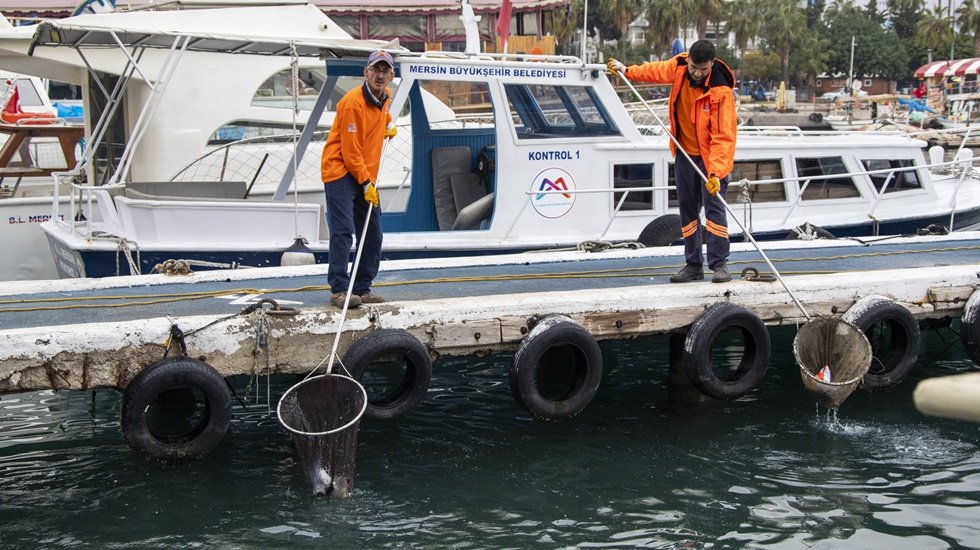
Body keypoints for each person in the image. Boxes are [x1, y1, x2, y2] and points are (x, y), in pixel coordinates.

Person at [608, 40, 737, 283]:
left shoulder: (721, 92)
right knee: (688, 211)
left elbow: (724, 136)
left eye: (703, 69)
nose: (697, 73)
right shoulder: (678, 66)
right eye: (694, 67)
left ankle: (720, 265)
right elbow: (655, 70)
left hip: (711, 162)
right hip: (684, 154)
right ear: (688, 60)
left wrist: (716, 174)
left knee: (714, 212)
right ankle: (693, 265)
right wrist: (628, 71)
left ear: (712, 65)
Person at [321, 50, 397, 308]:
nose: (380, 75)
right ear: (366, 72)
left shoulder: (385, 97)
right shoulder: (352, 102)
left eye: (385, 71)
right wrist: (366, 183)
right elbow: (350, 151)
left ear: (391, 76)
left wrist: (387, 124)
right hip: (341, 171)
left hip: (363, 175)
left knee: (372, 233)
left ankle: (362, 288)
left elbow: (380, 116)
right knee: (343, 231)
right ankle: (339, 290)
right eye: (376, 69)